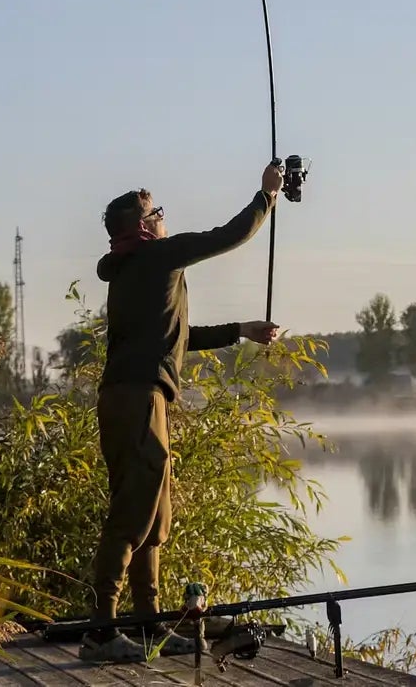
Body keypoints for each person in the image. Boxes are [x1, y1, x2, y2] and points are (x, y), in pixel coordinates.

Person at [80, 161, 285, 664]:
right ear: (145, 228)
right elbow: (229, 235)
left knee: (153, 517)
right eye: (158, 213)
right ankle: (102, 633)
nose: (165, 218)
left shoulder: (134, 269)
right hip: (138, 400)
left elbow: (175, 338)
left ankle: (149, 625)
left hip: (135, 399)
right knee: (132, 518)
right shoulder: (157, 256)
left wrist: (241, 330)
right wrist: (266, 197)